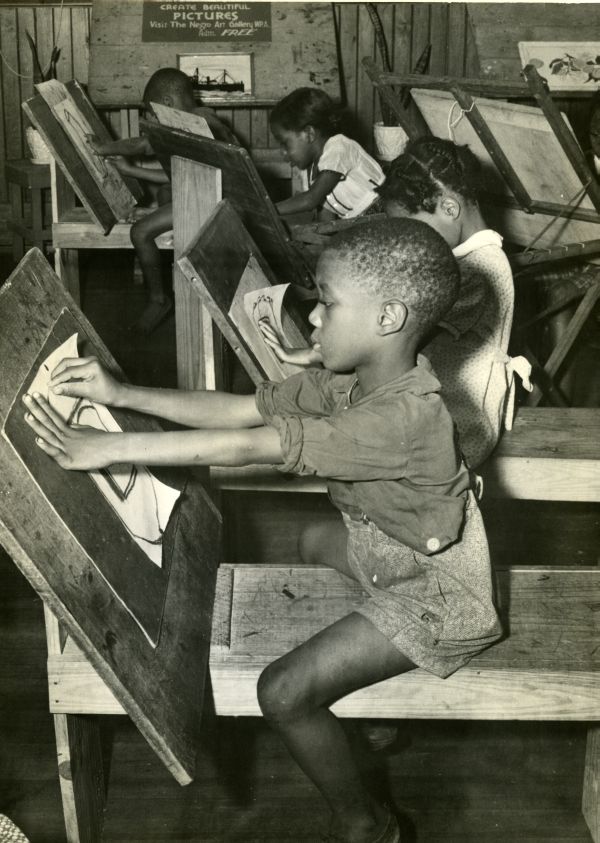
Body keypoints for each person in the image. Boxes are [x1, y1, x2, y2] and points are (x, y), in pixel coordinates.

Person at [23, 218, 502, 843]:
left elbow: (254, 443)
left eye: (327, 305)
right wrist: (123, 392)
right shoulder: (352, 379)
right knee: (307, 541)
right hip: (383, 548)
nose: (313, 321)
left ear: (387, 317)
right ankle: (380, 713)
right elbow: (243, 408)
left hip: (437, 594)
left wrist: (108, 449)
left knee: (281, 692)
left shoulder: (404, 417)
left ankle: (370, 825)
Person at [377, 136, 528, 468]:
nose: (409, 243)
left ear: (449, 208)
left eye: (414, 230)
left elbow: (406, 328)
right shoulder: (463, 261)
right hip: (436, 413)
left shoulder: (480, 269)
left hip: (460, 431)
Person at [90, 68, 237, 334]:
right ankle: (161, 213)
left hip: (217, 202)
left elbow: (145, 146)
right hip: (203, 192)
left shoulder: (195, 120)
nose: (152, 118)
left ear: (167, 104)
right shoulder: (201, 118)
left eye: (152, 111)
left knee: (141, 231)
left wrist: (103, 148)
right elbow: (175, 176)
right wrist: (132, 171)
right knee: (165, 194)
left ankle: (158, 299)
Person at [270, 87, 385, 220]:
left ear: (309, 134)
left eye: (285, 143)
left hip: (384, 213)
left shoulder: (339, 148)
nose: (282, 152)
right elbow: (326, 213)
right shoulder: (310, 169)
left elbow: (310, 200)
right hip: (358, 223)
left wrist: (268, 209)